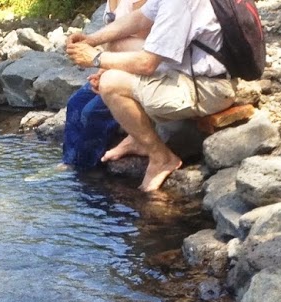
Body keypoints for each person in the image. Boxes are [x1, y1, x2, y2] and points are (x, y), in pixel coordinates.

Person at [66, 0, 236, 192]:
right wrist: (91, 40)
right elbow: (138, 20)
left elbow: (147, 63)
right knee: (109, 71)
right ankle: (139, 140)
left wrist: (96, 58)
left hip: (207, 89)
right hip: (190, 76)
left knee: (111, 84)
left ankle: (161, 158)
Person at [60, 0, 146, 172]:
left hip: (141, 69)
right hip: (115, 65)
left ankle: (86, 169)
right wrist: (102, 70)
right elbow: (111, 39)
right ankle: (69, 161)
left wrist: (105, 65)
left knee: (93, 112)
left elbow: (144, 45)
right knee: (75, 103)